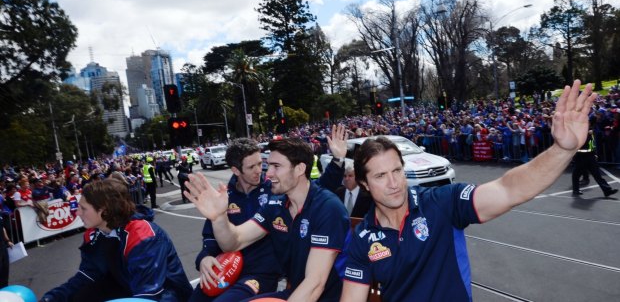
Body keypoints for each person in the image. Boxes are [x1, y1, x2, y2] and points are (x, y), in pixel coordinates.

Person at [340, 80, 604, 301]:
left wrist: (563, 149)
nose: (394, 182)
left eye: (397, 171)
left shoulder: (442, 202)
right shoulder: (363, 237)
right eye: (380, 176)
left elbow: (508, 189)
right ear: (363, 183)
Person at [186, 130, 350, 302]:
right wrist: (219, 217)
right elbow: (233, 242)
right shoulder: (276, 205)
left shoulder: (327, 207)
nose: (267, 173)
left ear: (300, 169)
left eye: (276, 166)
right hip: (294, 293)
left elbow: (315, 283)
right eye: (268, 165)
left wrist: (338, 159)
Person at [40, 175, 192, 302]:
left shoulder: (142, 234)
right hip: (129, 288)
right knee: (80, 295)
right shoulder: (94, 234)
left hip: (166, 296)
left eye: (83, 208)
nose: (77, 213)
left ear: (104, 210)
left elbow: (149, 294)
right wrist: (51, 298)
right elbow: (87, 275)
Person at [571, 120, 618, 197]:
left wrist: (594, 153)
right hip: (580, 156)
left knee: (597, 174)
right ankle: (575, 190)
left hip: (590, 156)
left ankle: (607, 190)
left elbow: (592, 144)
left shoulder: (590, 133)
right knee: (576, 174)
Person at [0, 211, 14, 288]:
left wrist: (7, 240)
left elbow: (2, 228)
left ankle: (5, 291)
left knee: (5, 270)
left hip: (2, 246)